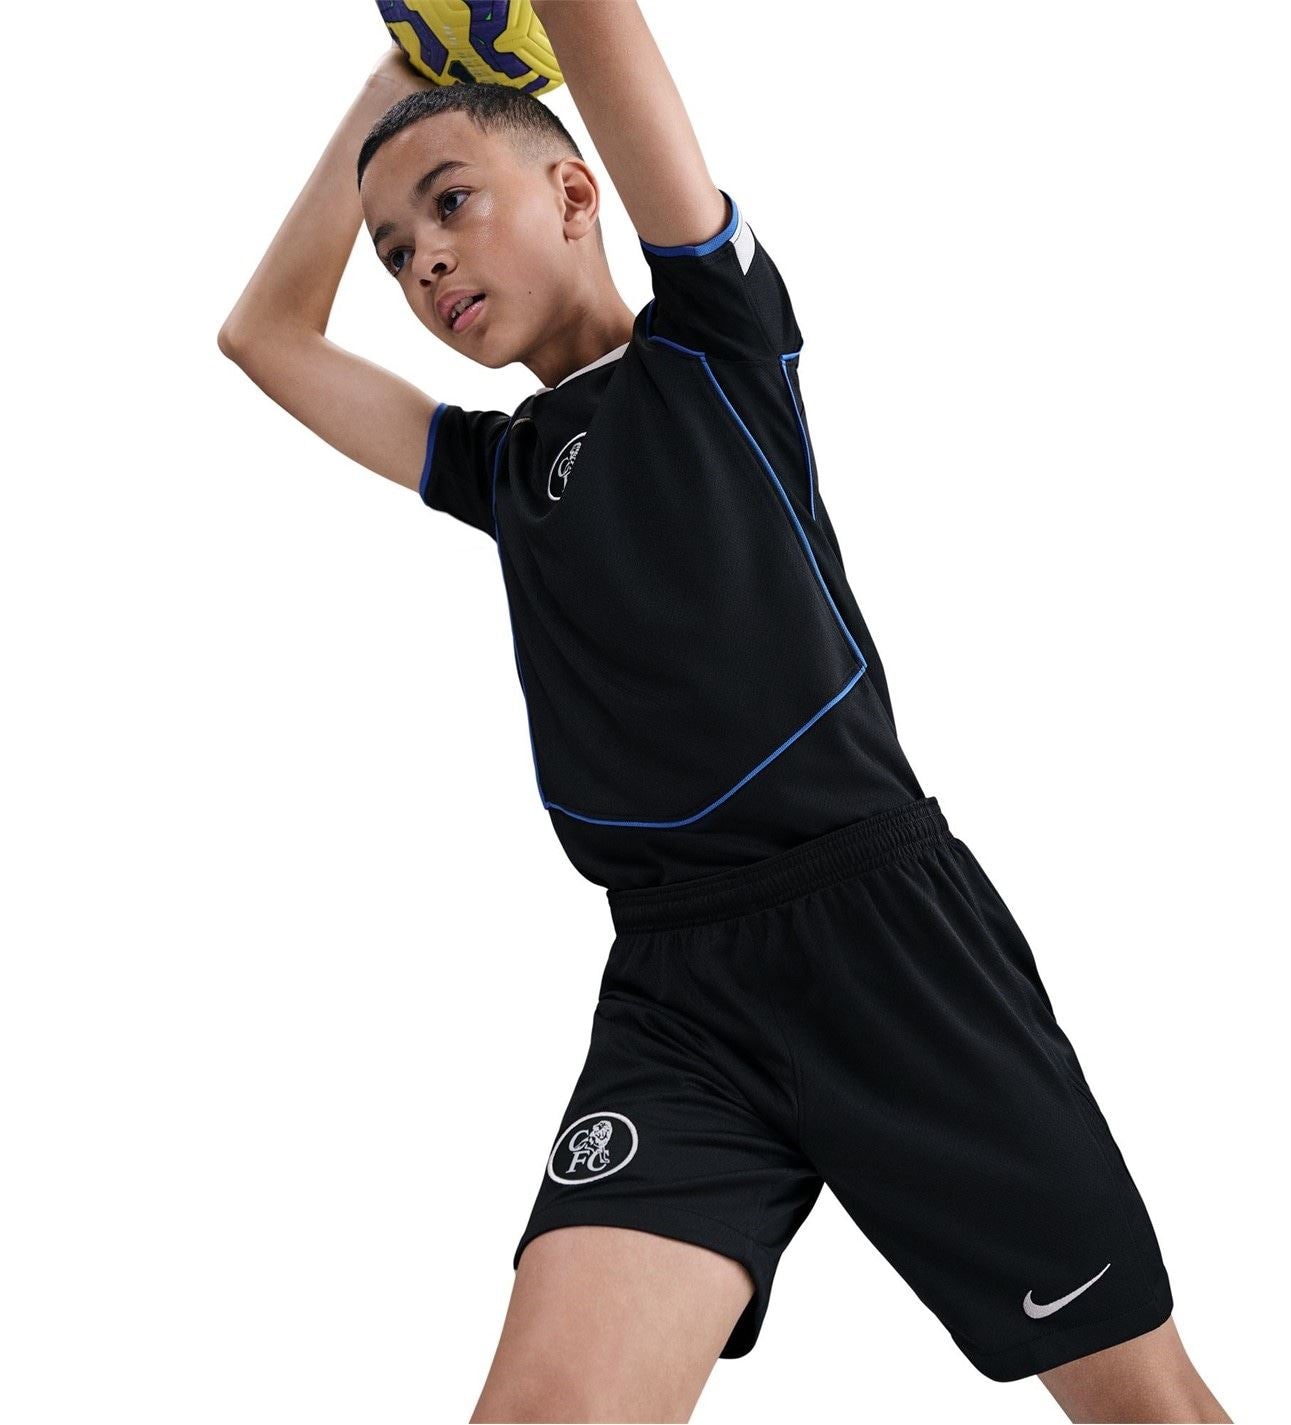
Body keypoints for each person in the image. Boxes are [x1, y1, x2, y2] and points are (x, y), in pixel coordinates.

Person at [218, 4, 1229, 1420]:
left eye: (449, 205)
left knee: (1143, 1403)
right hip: (675, 995)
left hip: (884, 946)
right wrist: (407, 71)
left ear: (578, 195)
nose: (421, 259)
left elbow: (595, 24)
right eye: (392, 252)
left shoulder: (715, 346)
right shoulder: (498, 471)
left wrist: (472, 53)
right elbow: (262, 335)